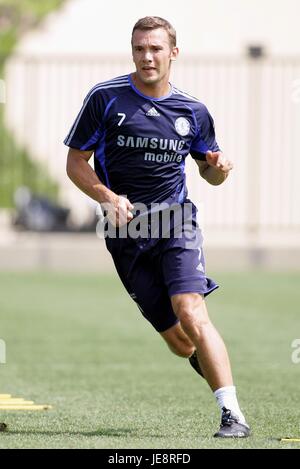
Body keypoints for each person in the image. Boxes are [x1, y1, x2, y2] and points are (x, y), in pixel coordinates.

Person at [64, 16, 250, 438]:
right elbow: (76, 162)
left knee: (191, 309)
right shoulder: (105, 98)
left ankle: (232, 413)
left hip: (177, 224)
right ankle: (213, 369)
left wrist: (219, 168)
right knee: (180, 341)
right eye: (139, 48)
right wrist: (108, 199)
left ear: (173, 53)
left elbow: (209, 170)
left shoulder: (193, 110)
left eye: (155, 48)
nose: (147, 56)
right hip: (126, 236)